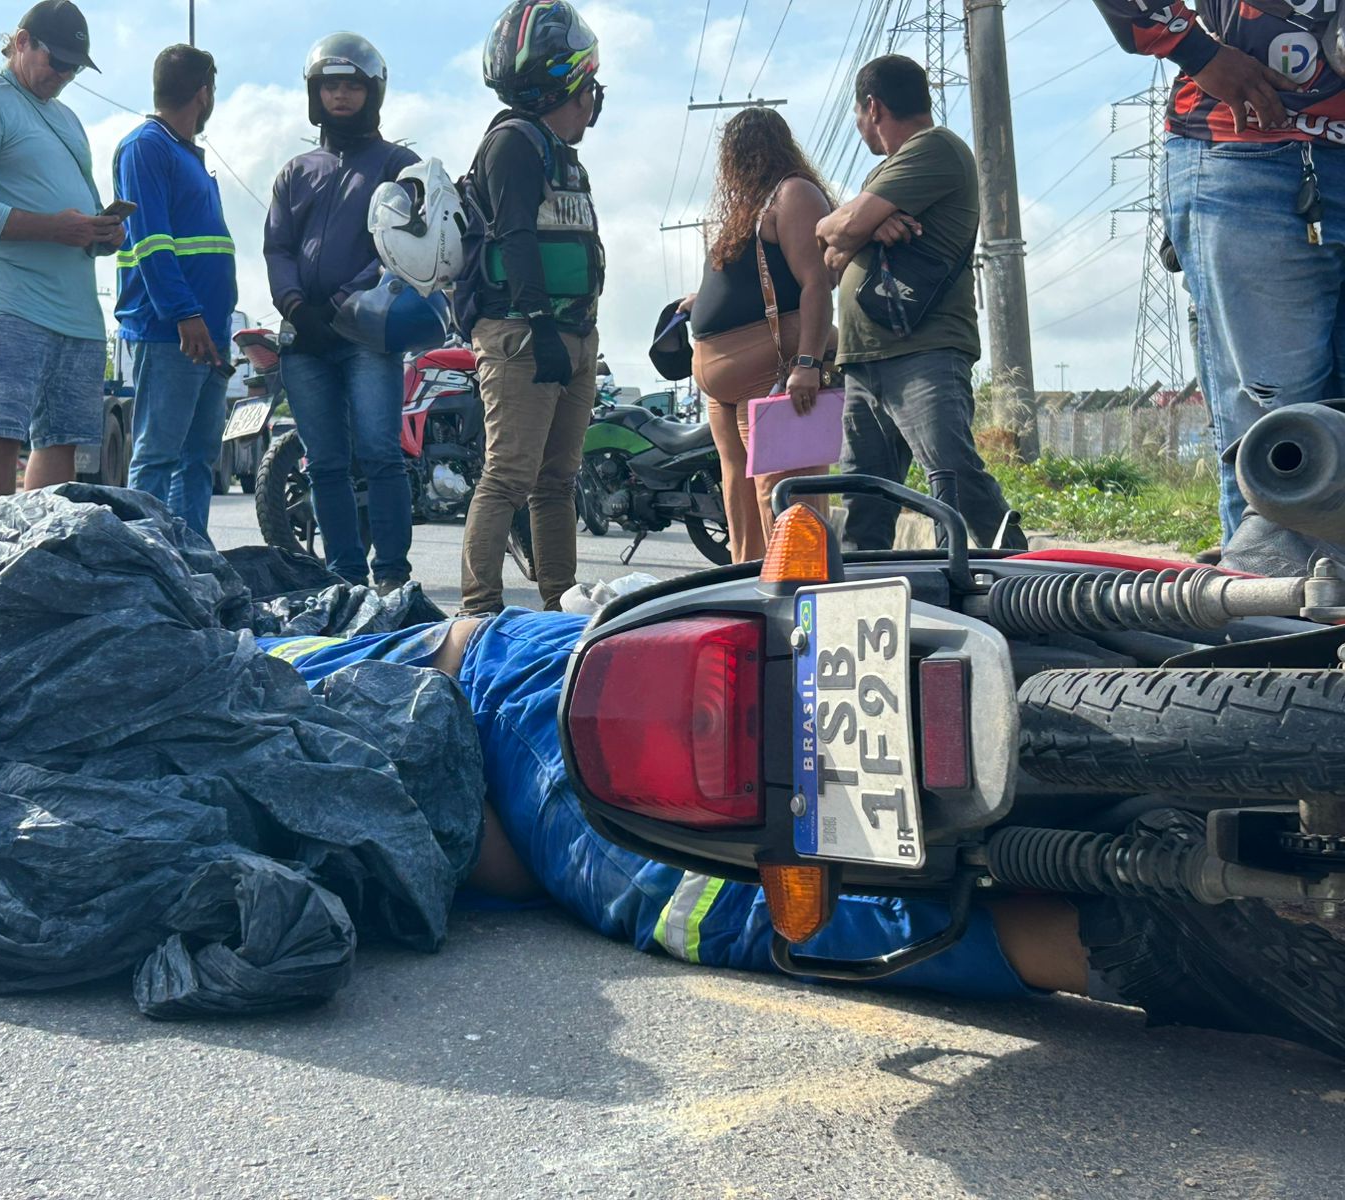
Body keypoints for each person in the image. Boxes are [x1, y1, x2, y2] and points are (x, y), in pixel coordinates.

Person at [257, 609, 1345, 1059]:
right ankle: (1242, 621)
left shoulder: (233, 697)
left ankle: (1122, 940)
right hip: (540, 680)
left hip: (544, 737)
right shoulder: (241, 670)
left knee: (787, 908)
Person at [1092, 3, 1334, 545]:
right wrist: (1195, 49)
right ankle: (1277, 617)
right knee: (1280, 435)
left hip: (1263, 165)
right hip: (1249, 151)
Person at [816, 55, 1021, 553]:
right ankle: (864, 597)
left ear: (873, 106)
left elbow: (836, 230)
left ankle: (1020, 568)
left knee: (950, 473)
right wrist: (862, 228)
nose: (861, 125)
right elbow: (829, 256)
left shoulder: (934, 149)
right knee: (865, 493)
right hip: (866, 358)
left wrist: (851, 226)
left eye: (860, 115)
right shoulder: (883, 175)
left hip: (924, 350)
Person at [0, 0, 123, 520]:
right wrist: (55, 227)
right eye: (55, 60)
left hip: (75, 311)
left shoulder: (66, 118)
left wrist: (98, 231)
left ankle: (33, 561)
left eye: (73, 67)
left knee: (61, 442)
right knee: (2, 434)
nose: (63, 75)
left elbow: (76, 208)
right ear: (21, 42)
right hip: (7, 303)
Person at [458, 0, 606, 615]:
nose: (591, 106)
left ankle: (559, 605)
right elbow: (515, 236)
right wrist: (541, 324)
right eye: (587, 91)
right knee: (508, 476)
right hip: (524, 333)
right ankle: (477, 609)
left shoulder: (557, 153)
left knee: (555, 483)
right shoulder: (514, 145)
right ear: (566, 85)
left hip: (571, 333)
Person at [263, 33, 417, 592]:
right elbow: (277, 247)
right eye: (332, 84)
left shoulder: (400, 165)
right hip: (303, 340)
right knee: (324, 462)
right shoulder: (294, 171)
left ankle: (393, 578)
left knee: (380, 453)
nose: (342, 95)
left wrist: (341, 302)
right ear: (315, 92)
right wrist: (296, 306)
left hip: (368, 335)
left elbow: (404, 248)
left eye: (353, 84)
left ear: (372, 91)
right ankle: (343, 577)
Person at [679, 107, 836, 564]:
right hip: (727, 384)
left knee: (784, 495)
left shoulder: (794, 194)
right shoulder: (754, 205)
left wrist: (807, 363)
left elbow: (815, 283)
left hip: (772, 370)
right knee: (742, 501)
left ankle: (796, 595)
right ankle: (748, 592)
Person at [113, 44, 236, 540]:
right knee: (159, 452)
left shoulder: (186, 155)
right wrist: (184, 312)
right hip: (172, 332)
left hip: (209, 332)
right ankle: (146, 562)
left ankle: (191, 559)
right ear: (204, 93)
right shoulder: (147, 146)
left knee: (198, 456)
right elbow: (151, 240)